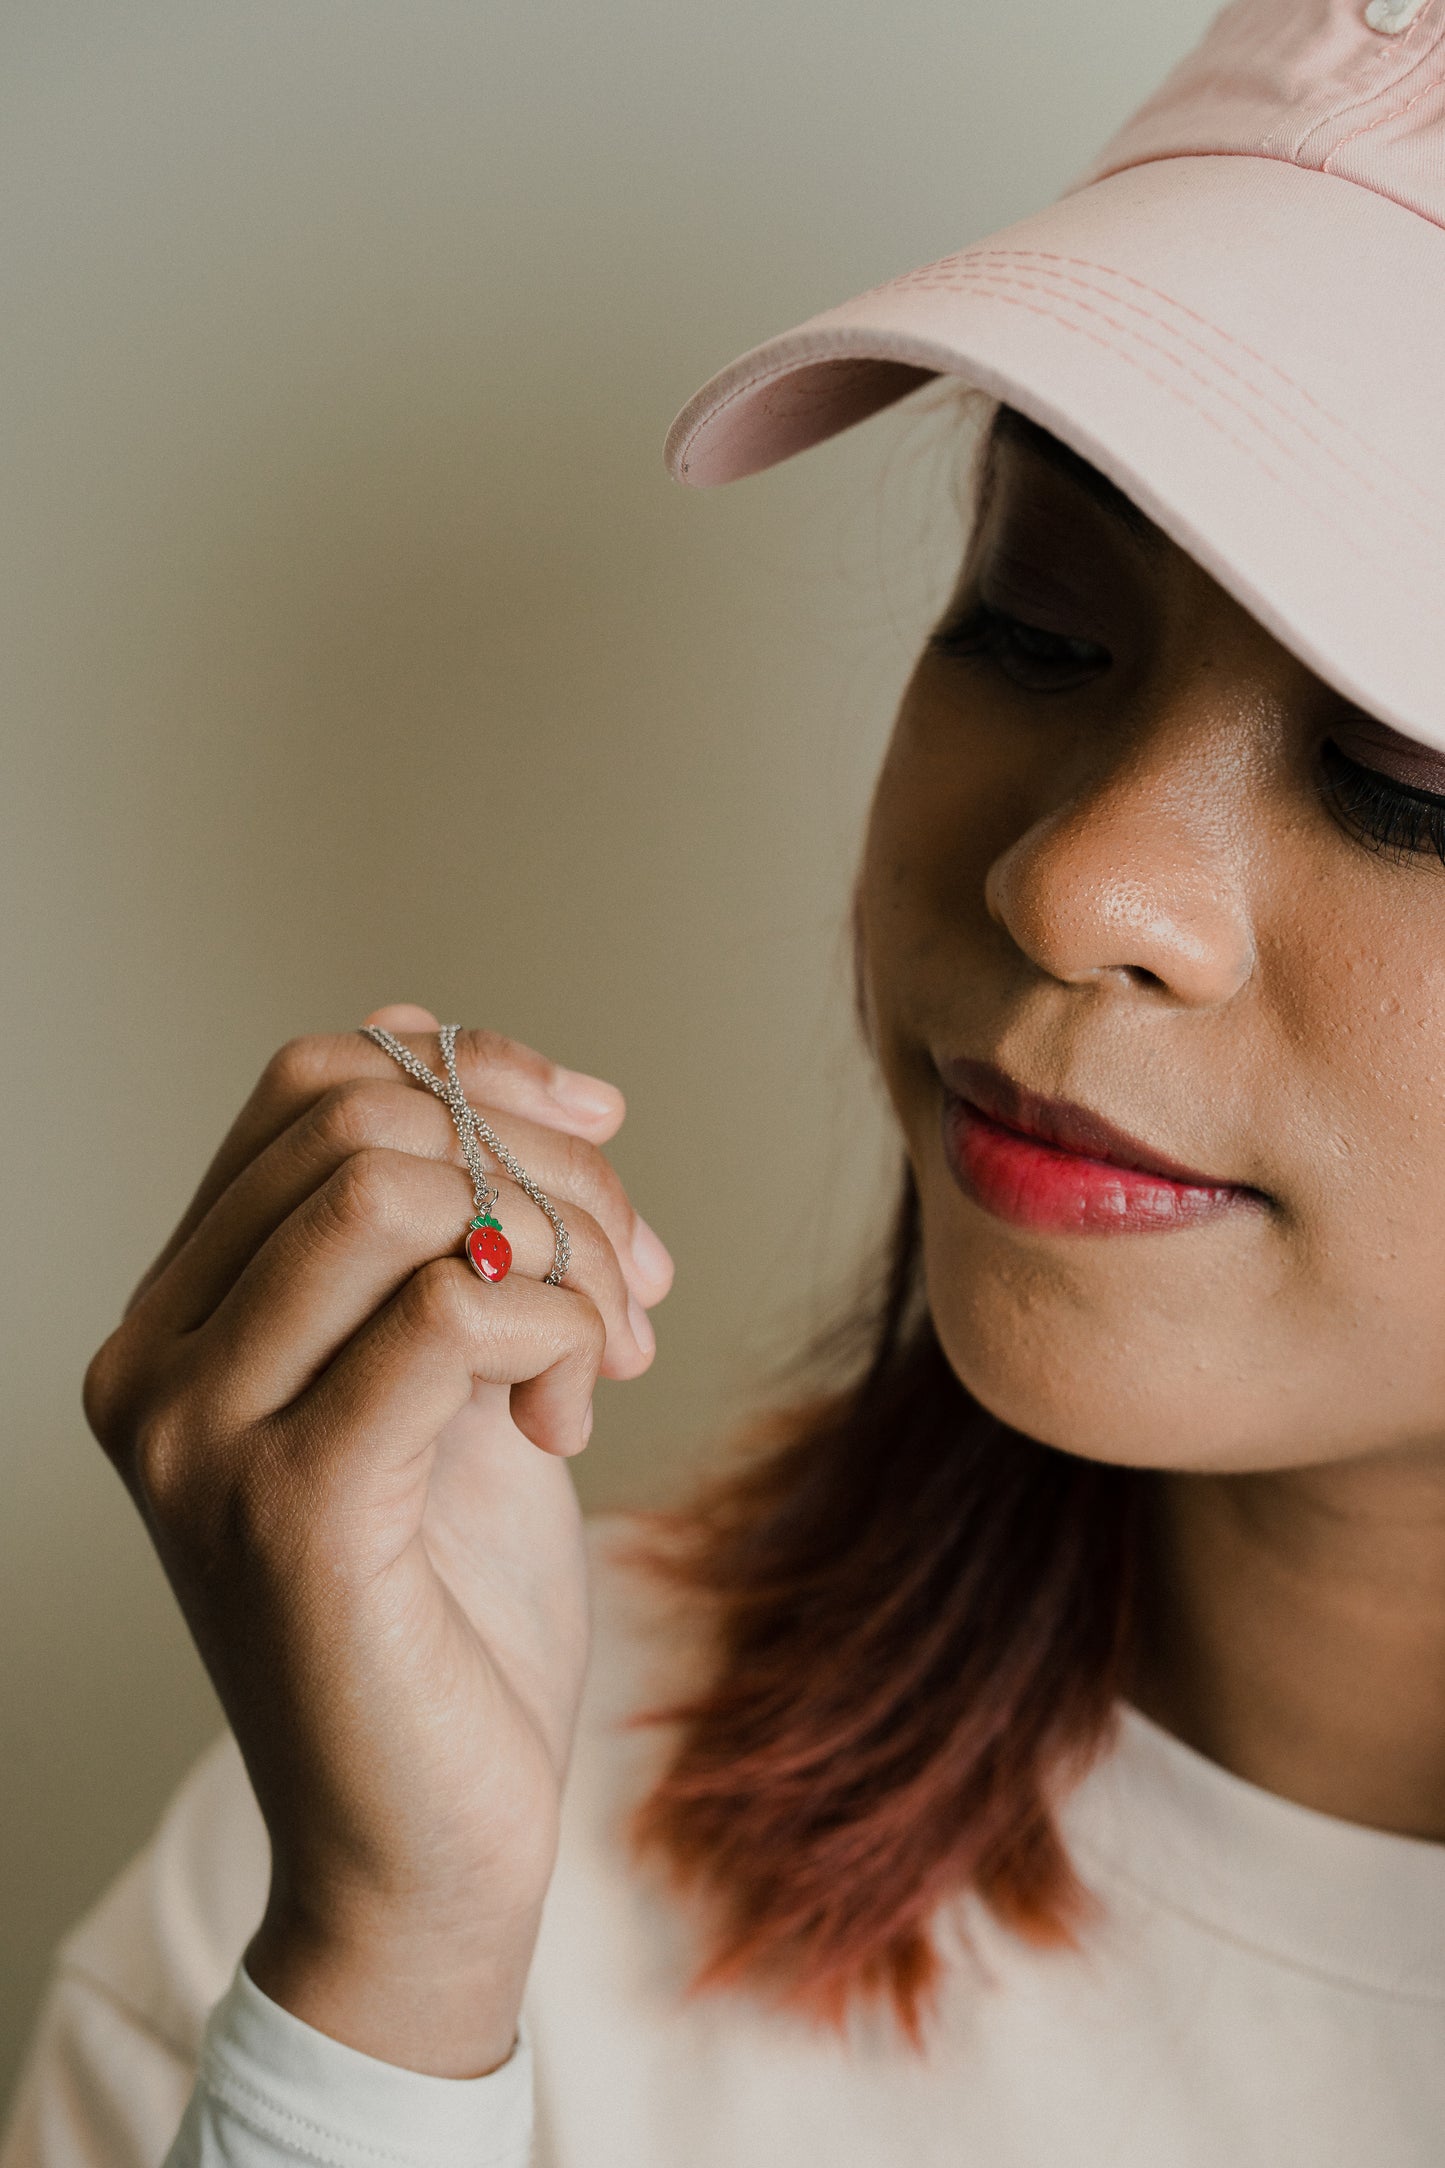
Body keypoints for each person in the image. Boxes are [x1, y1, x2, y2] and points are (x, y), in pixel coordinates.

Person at [7, 2, 1445, 2162]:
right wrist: (389, 2004)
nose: (1075, 880)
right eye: (1038, 624)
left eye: (1404, 783)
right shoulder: (430, 1844)